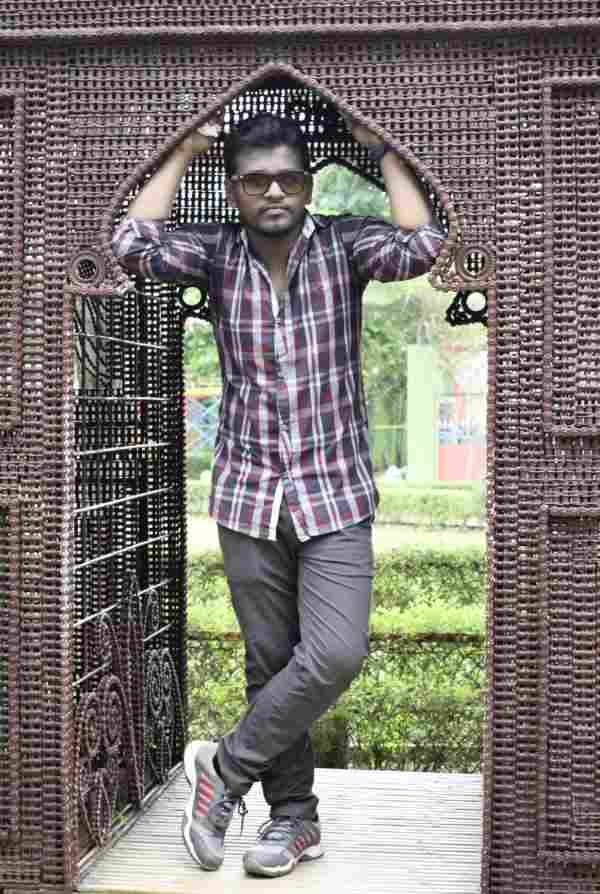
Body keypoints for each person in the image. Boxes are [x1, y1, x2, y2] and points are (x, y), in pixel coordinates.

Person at [112, 110, 445, 879]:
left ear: (308, 185)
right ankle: (293, 820)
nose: (273, 192)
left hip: (336, 493)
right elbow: (131, 244)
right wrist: (183, 149)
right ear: (234, 189)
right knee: (270, 662)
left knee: (334, 652)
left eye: (288, 178)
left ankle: (222, 770)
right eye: (256, 180)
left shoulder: (346, 244)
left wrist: (384, 151)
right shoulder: (216, 253)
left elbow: (421, 245)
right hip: (248, 491)